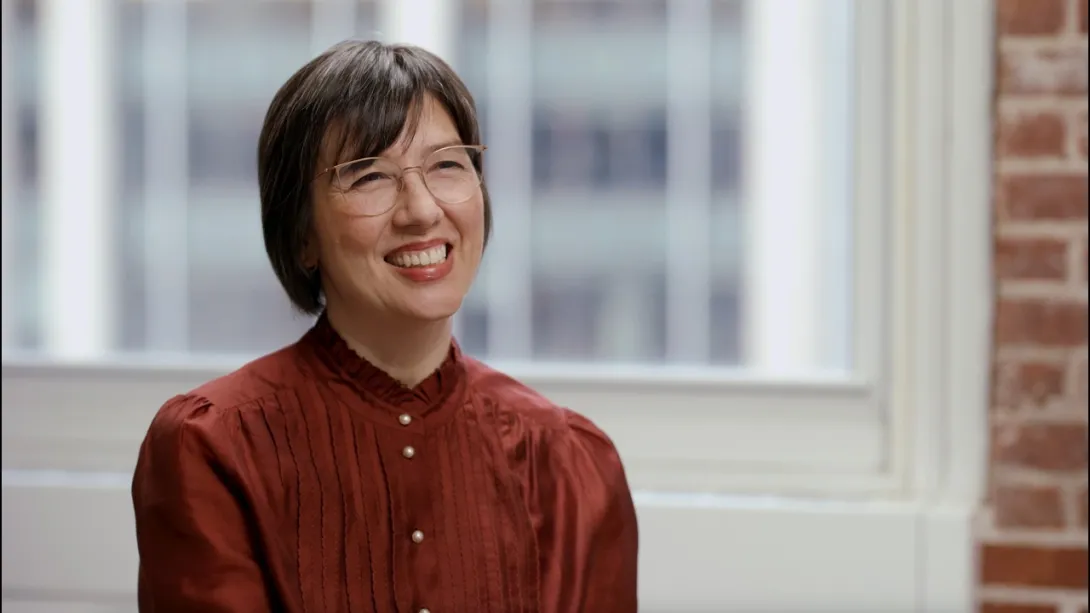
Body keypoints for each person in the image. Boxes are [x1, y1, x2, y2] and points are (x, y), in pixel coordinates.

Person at [130, 39, 639, 613]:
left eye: (448, 164)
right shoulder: (213, 447)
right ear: (302, 236)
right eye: (370, 176)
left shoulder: (568, 463)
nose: (421, 210)